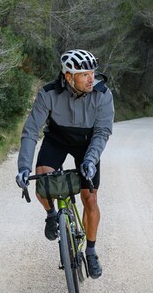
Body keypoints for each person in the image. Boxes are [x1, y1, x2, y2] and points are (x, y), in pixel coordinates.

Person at [15, 49, 115, 279]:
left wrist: (90, 160)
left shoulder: (102, 93)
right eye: (84, 74)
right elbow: (31, 131)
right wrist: (23, 167)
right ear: (68, 76)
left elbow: (102, 132)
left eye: (92, 73)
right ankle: (51, 215)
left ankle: (90, 251)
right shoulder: (48, 93)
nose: (91, 78)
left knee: (89, 197)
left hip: (88, 143)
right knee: (42, 182)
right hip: (57, 139)